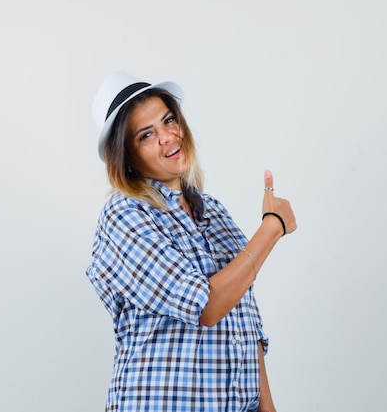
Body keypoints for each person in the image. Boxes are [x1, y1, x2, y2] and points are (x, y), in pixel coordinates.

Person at [86, 71, 297, 412]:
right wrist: (272, 228)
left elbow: (245, 319)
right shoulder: (124, 214)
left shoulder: (211, 210)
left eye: (169, 120)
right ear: (126, 158)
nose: (168, 137)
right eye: (146, 135)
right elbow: (206, 306)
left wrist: (267, 408)